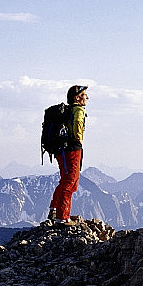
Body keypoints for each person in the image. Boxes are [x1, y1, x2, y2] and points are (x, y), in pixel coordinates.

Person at [48, 85, 88, 225]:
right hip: (71, 149)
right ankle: (62, 217)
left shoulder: (68, 110)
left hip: (63, 149)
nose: (87, 98)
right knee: (70, 181)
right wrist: (78, 139)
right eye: (84, 95)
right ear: (77, 98)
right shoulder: (78, 110)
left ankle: (55, 209)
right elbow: (77, 124)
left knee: (66, 179)